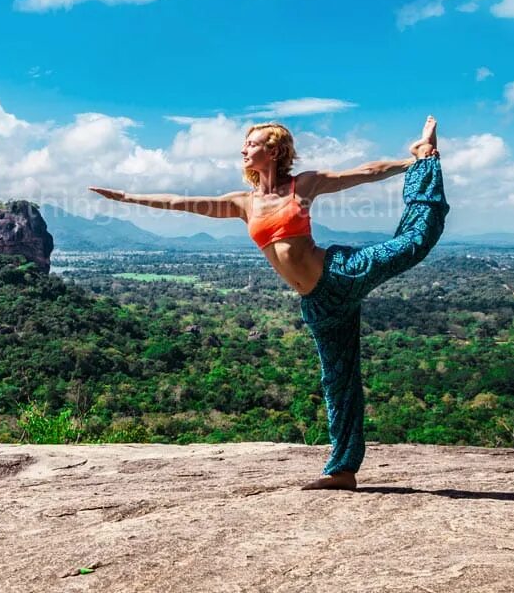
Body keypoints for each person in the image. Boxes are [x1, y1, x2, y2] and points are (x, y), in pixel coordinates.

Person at [89, 116, 448, 490]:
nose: (244, 149)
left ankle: (426, 158)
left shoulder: (302, 185)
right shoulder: (243, 203)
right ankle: (343, 470)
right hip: (320, 303)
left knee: (414, 242)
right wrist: (128, 197)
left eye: (252, 143)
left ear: (274, 150)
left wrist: (415, 163)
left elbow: (365, 172)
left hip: (342, 272)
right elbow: (182, 203)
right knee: (338, 381)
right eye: (245, 144)